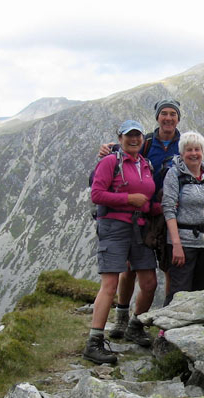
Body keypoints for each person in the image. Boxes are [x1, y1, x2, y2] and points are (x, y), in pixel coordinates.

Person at [98, 100, 182, 341]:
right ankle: (122, 317)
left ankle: (154, 323)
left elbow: (196, 159)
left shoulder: (183, 143)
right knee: (129, 268)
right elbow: (122, 150)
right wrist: (106, 150)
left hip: (164, 212)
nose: (168, 118)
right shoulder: (145, 142)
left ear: (178, 118)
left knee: (166, 267)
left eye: (172, 114)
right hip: (140, 214)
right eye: (163, 114)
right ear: (157, 118)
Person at [83, 119, 159, 364]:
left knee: (149, 282)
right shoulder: (109, 162)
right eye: (129, 136)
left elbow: (145, 201)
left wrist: (164, 207)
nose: (134, 139)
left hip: (139, 228)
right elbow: (97, 194)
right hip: (114, 227)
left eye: (137, 135)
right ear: (120, 138)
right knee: (110, 284)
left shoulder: (145, 164)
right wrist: (129, 199)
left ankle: (135, 325)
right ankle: (94, 341)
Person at [161, 131, 204, 305]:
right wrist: (176, 244)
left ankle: (195, 331)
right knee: (179, 291)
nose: (194, 153)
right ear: (182, 153)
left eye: (197, 149)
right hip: (184, 243)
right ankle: (167, 330)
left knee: (202, 291)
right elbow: (169, 209)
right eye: (189, 150)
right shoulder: (174, 175)